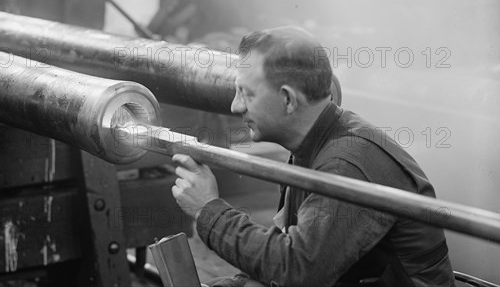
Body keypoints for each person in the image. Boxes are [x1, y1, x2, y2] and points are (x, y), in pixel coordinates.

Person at [171, 27, 455, 287]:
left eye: (246, 94)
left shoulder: (347, 163)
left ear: (288, 99)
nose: (235, 106)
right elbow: (287, 250)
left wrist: (207, 209)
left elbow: (297, 271)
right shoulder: (311, 148)